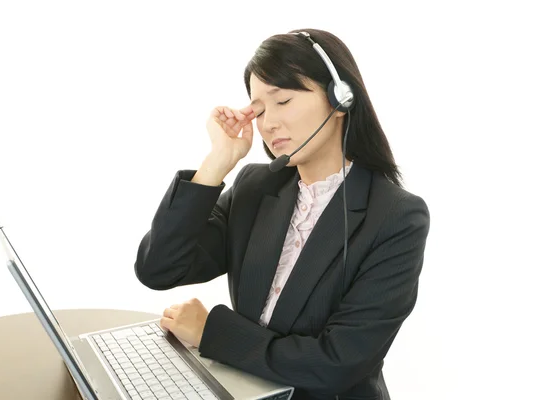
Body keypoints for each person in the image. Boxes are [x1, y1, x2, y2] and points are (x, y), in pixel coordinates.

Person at [134, 28, 430, 400]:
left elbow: (336, 363)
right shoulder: (257, 187)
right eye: (257, 109)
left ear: (341, 98)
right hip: (244, 390)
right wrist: (217, 163)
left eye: (283, 101)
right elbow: (158, 268)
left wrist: (212, 332)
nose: (267, 123)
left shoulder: (396, 216)